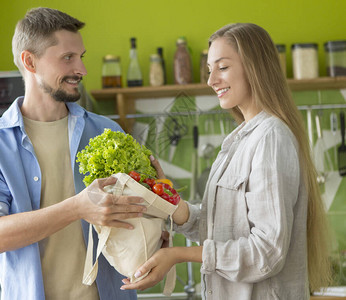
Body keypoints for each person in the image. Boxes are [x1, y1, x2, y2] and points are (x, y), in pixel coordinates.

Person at [121, 23, 332, 299]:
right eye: (210, 70)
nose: (211, 81)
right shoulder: (238, 140)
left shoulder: (270, 138)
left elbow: (267, 252)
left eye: (222, 67)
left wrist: (178, 255)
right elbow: (219, 231)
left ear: (255, 67)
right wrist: (170, 201)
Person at [0, 7, 145, 300]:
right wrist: (77, 207)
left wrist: (158, 212)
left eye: (80, 57)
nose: (81, 70)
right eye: (67, 58)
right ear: (29, 61)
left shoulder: (107, 133)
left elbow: (137, 222)